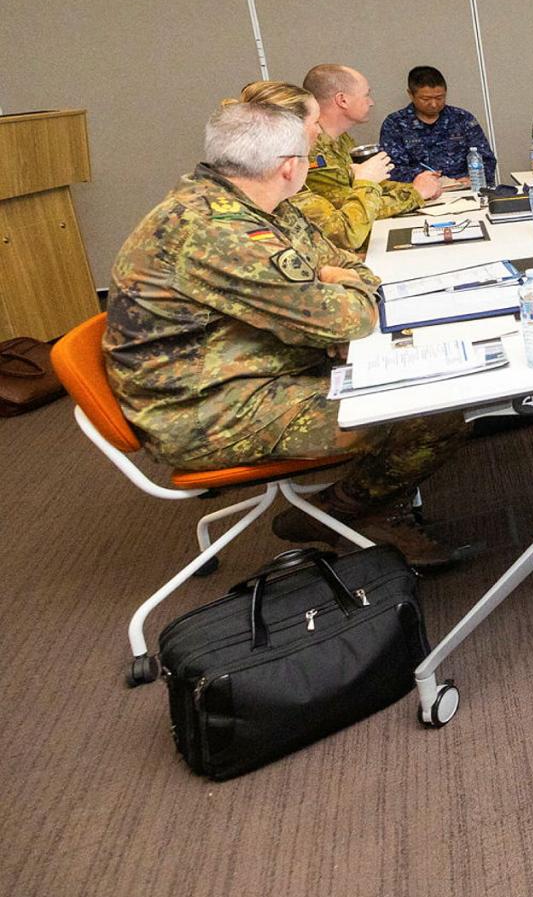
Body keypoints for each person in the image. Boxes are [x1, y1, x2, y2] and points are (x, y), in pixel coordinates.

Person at [103, 100, 474, 567]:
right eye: (307, 155)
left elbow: (338, 261)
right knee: (431, 411)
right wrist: (346, 292)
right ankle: (340, 513)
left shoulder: (254, 202)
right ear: (288, 167)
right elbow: (348, 318)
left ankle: (361, 508)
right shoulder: (217, 230)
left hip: (252, 366)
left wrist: (341, 285)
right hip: (209, 411)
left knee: (416, 364)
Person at [302, 64, 434, 250]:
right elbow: (356, 208)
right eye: (366, 95)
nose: (371, 102)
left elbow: (372, 185)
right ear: (342, 100)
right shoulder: (312, 150)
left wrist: (416, 187)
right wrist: (416, 193)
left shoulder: (341, 139)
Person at [234, 80, 370, 252]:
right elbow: (345, 234)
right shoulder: (278, 184)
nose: (319, 131)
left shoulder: (280, 196)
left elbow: (325, 255)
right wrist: (367, 183)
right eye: (315, 122)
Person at [378, 65, 495, 185]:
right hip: (418, 191)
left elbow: (487, 159)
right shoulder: (395, 124)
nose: (434, 104)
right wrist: (423, 177)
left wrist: (472, 179)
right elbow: (391, 169)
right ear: (411, 95)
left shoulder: (462, 118)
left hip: (463, 188)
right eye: (426, 99)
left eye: (439, 98)